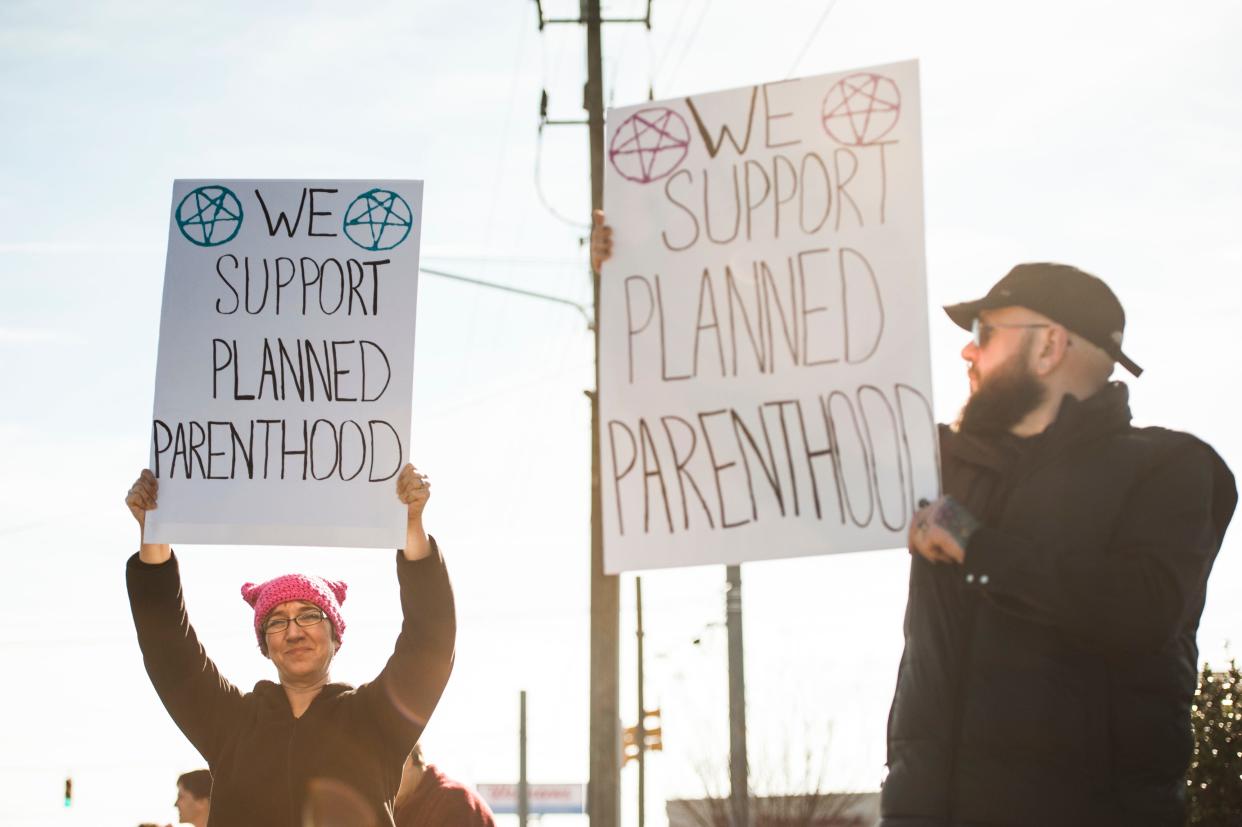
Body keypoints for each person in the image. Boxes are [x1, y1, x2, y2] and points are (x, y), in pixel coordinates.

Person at [885, 263, 1236, 826]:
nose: (967, 355)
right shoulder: (943, 467)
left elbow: (1142, 610)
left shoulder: (1170, 468)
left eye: (983, 334)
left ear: (1049, 346)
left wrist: (979, 549)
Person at [124, 463, 456, 827]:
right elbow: (169, 650)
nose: (294, 632)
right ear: (264, 644)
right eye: (277, 622)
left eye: (310, 615)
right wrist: (153, 536)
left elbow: (430, 641)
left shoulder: (377, 720)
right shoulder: (230, 725)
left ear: (335, 634)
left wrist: (410, 529)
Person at [394, 743, 497, 826]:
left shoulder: (453, 803)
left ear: (407, 760)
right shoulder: (399, 809)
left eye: (380, 773)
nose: (379, 790)